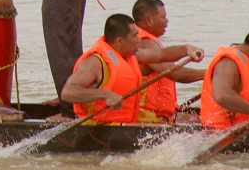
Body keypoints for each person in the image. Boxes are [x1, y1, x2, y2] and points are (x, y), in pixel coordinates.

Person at [61, 14, 204, 124]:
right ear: (120, 41)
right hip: (98, 126)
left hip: (126, 123)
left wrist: (186, 49)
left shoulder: (132, 54)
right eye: (135, 36)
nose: (139, 39)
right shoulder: (94, 62)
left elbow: (160, 55)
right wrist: (104, 95)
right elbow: (68, 92)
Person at [131, 0, 206, 121]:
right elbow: (175, 73)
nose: (167, 21)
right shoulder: (144, 42)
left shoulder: (152, 41)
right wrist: (209, 74)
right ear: (149, 20)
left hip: (161, 115)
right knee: (206, 123)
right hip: (148, 118)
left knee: (202, 119)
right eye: (163, 17)